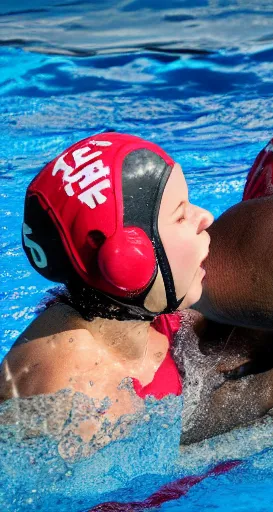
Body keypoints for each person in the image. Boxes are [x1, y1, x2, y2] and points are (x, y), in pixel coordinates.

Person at [0, 133, 213, 437]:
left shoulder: (147, 318)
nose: (205, 217)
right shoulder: (83, 396)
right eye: (180, 216)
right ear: (128, 262)